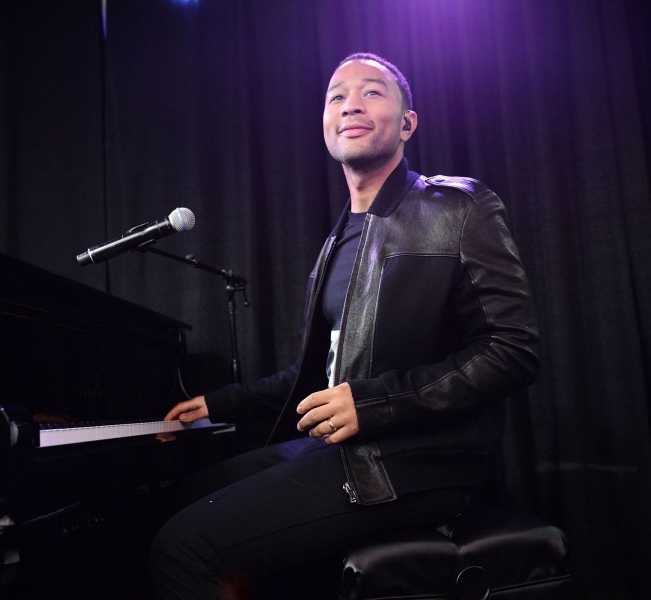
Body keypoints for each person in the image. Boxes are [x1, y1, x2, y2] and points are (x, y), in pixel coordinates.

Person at [150, 52, 539, 599]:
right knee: (173, 500)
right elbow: (320, 376)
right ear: (326, 126)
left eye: (372, 91)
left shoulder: (460, 208)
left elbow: (513, 349)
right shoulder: (337, 245)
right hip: (340, 451)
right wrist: (220, 404)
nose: (351, 103)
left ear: (408, 123)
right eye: (336, 96)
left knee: (184, 548)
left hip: (416, 464)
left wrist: (375, 402)